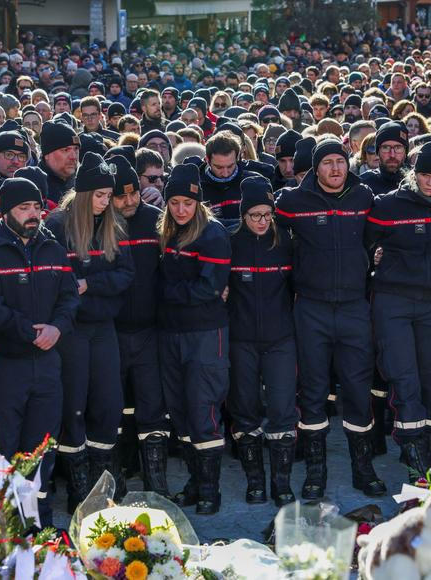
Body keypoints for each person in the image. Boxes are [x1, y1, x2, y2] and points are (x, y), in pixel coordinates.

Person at [0, 177, 79, 525]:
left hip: (47, 363)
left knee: (42, 447)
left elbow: (69, 296)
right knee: (1, 448)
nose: (33, 214)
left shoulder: (53, 246)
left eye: (35, 207)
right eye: (23, 208)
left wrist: (58, 327)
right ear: (5, 211)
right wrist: (31, 332)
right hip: (6, 366)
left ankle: (35, 521)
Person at [276, 139, 386, 499]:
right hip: (312, 307)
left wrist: (375, 252)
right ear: (316, 168)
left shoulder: (364, 197)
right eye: (328, 163)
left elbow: (377, 235)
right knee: (312, 389)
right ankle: (315, 470)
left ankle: (362, 467)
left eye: (340, 161)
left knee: (357, 389)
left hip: (354, 306)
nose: (335, 169)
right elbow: (259, 226)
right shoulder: (292, 201)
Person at [365, 142, 431, 479]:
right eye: (424, 175)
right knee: (404, 376)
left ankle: (427, 446)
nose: (430, 183)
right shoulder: (387, 205)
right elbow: (363, 241)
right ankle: (412, 454)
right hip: (393, 300)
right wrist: (374, 257)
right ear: (414, 173)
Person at [45, 152, 134, 512]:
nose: (105, 202)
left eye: (107, 196)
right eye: (99, 196)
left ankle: (102, 481)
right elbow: (55, 278)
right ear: (83, 195)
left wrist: (90, 284)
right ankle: (78, 486)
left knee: (109, 403)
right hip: (72, 331)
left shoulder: (113, 225)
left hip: (103, 326)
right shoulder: (58, 225)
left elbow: (125, 275)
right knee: (74, 405)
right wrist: (77, 287)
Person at [157, 163, 231, 515]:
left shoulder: (212, 233)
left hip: (205, 332)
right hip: (171, 332)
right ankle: (193, 479)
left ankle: (210, 487)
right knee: (180, 411)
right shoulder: (167, 232)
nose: (181, 209)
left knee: (204, 408)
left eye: (188, 202)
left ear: (198, 202)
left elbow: (209, 287)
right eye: (175, 203)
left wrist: (166, 291)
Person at [227, 175, 297, 507]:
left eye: (267, 214)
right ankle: (255, 479)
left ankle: (281, 482)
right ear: (242, 215)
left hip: (280, 338)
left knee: (282, 408)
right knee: (245, 408)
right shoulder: (229, 242)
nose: (261, 221)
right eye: (254, 215)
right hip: (241, 339)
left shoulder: (284, 241)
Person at [107, 154, 170, 498]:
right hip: (111, 331)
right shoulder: (100, 224)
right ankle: (114, 483)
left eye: (134, 193)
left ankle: (156, 485)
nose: (130, 201)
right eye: (121, 196)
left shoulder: (156, 221)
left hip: (150, 330)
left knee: (151, 407)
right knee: (111, 408)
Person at [199, 132, 257, 228]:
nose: (225, 173)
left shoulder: (252, 182)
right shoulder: (197, 186)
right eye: (219, 167)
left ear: (238, 158)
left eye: (230, 166)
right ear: (207, 160)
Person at [360, 122, 409, 195]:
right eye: (385, 148)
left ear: (405, 152)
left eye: (398, 147)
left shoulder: (418, 182)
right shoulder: (364, 184)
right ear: (377, 152)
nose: (392, 155)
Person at [39, 121, 81, 204]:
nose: (73, 157)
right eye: (65, 150)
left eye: (76, 149)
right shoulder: (36, 187)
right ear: (47, 154)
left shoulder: (84, 182)